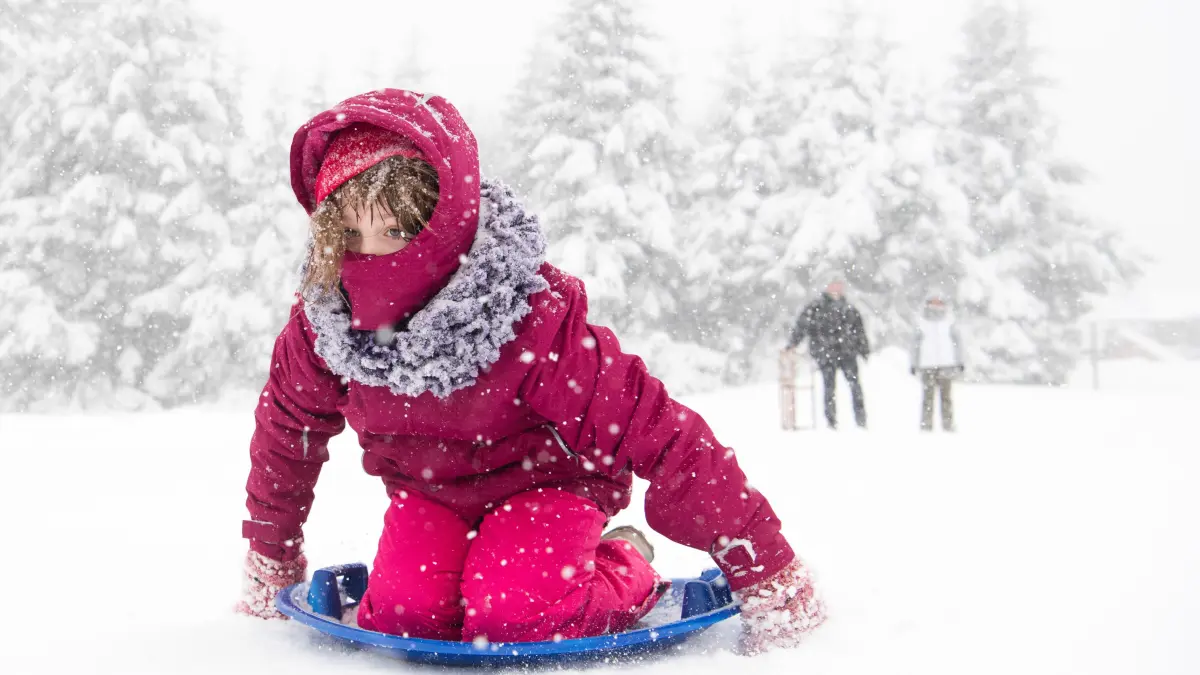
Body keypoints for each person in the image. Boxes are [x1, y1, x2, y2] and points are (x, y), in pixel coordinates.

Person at [235, 89, 823, 654]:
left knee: (517, 615)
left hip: (549, 487)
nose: (375, 258)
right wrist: (271, 555)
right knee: (406, 618)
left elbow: (666, 435)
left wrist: (765, 567)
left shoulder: (528, 319)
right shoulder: (327, 327)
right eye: (353, 238)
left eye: (396, 232)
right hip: (430, 495)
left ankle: (624, 560)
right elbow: (286, 437)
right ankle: (458, 576)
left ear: (444, 229)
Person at [784, 279, 870, 429]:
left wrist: (864, 349)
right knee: (829, 388)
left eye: (839, 285)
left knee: (855, 386)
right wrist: (792, 343)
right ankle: (831, 421)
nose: (836, 289)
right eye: (833, 285)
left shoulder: (849, 309)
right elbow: (802, 326)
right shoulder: (816, 307)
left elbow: (859, 331)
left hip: (847, 353)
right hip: (826, 354)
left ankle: (861, 420)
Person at [910, 293, 964, 432]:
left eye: (939, 303)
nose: (936, 306)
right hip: (927, 365)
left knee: (946, 398)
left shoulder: (949, 322)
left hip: (946, 364)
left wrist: (960, 360)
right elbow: (915, 345)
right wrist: (914, 363)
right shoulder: (922, 323)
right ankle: (926, 426)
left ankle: (948, 425)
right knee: (927, 398)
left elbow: (958, 343)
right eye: (933, 303)